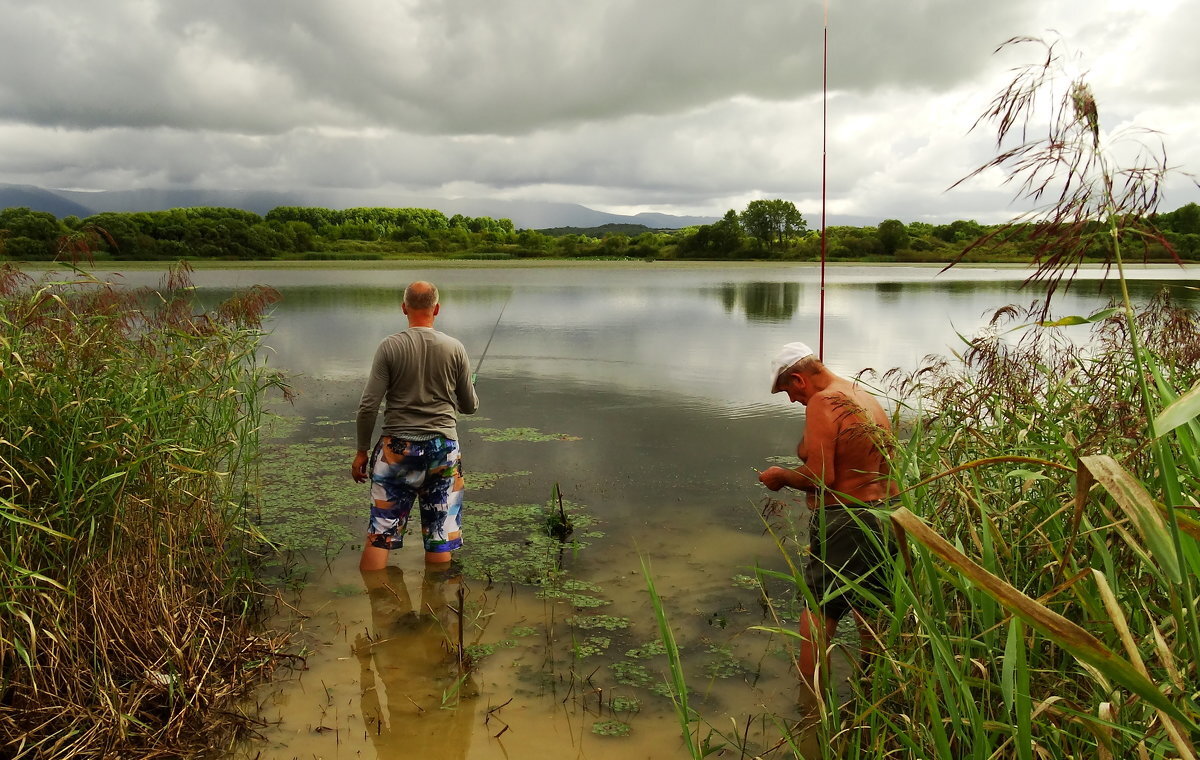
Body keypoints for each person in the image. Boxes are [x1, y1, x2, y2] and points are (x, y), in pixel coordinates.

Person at [757, 341, 898, 689]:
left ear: (799, 380)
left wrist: (782, 476)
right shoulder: (861, 395)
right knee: (872, 606)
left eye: (788, 391)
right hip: (885, 516)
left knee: (820, 608)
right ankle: (874, 687)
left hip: (846, 519)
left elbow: (821, 476)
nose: (793, 400)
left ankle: (811, 697)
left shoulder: (823, 401)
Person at [352, 281, 478, 571]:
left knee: (380, 535)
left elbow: (368, 406)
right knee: (439, 534)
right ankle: (437, 596)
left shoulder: (389, 347)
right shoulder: (455, 348)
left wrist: (361, 451)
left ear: (404, 308)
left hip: (396, 450)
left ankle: (375, 593)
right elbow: (469, 406)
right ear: (437, 309)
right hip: (442, 450)